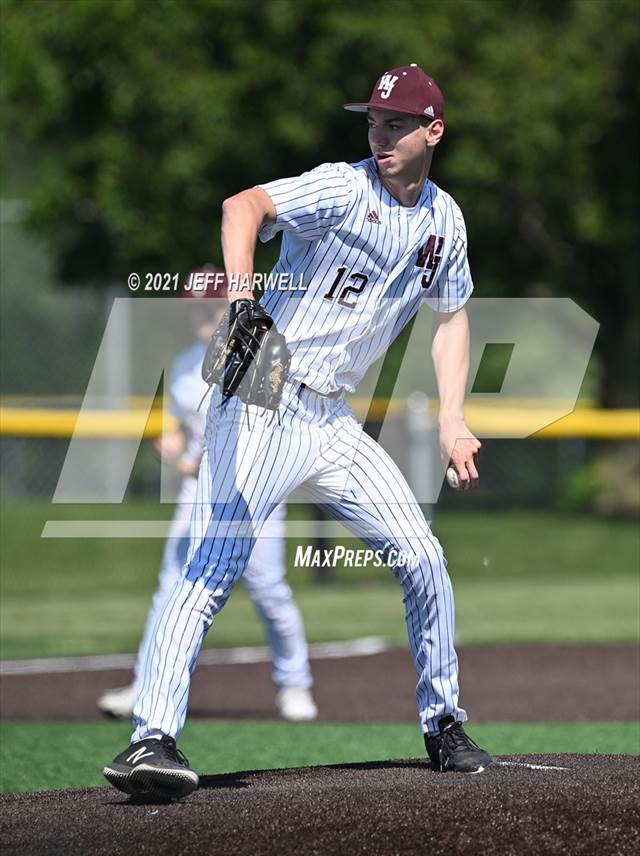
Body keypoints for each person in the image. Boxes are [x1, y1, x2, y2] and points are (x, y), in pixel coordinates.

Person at [103, 64, 492, 800]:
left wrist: (453, 417)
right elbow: (242, 205)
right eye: (373, 121)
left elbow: (452, 315)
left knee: (423, 557)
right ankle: (149, 738)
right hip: (260, 386)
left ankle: (444, 723)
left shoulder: (446, 222)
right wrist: (244, 294)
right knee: (215, 563)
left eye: (396, 124)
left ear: (433, 131)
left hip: (329, 416)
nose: (379, 134)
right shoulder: (343, 187)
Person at [98, 266, 317, 724]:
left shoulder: (261, 354)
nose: (200, 312)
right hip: (198, 493)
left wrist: (197, 459)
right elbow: (185, 430)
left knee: (267, 589)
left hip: (253, 490)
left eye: (210, 304)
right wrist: (175, 443)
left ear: (231, 305)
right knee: (171, 586)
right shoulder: (183, 364)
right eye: (195, 305)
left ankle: (294, 684)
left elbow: (268, 432)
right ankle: (147, 685)